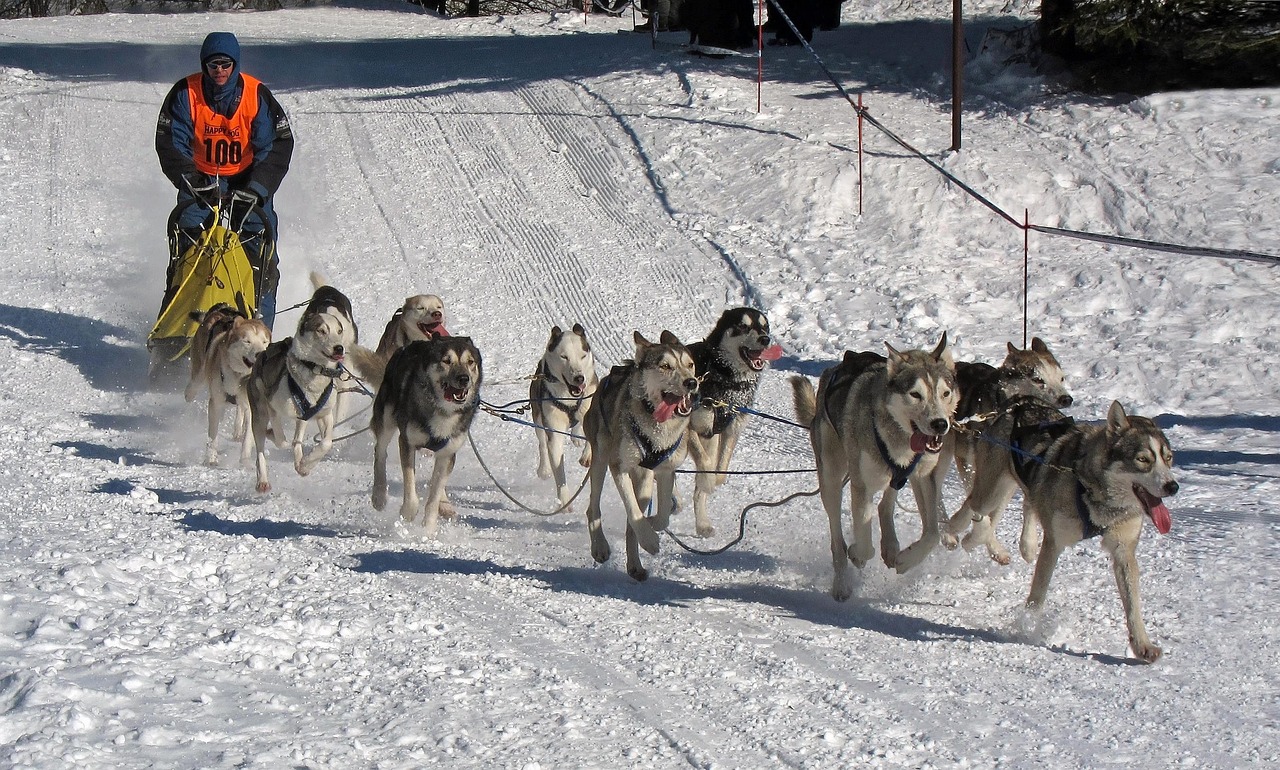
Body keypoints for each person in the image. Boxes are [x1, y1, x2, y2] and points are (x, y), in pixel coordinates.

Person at [155, 31, 294, 331]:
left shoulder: (256, 95)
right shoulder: (185, 93)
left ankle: (260, 331)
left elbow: (278, 146)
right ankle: (177, 326)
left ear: (235, 65)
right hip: (201, 180)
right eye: (212, 65)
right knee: (187, 251)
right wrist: (191, 179)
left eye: (225, 64)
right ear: (204, 66)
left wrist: (257, 189)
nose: (219, 71)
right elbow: (169, 142)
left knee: (261, 256)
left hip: (248, 181)